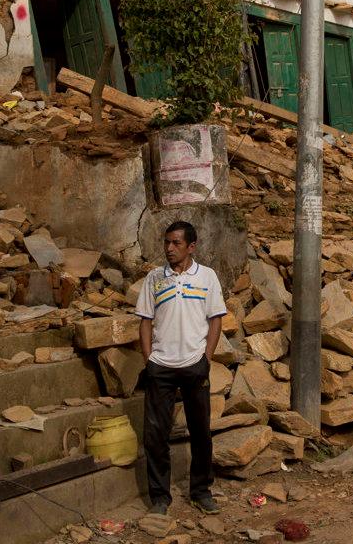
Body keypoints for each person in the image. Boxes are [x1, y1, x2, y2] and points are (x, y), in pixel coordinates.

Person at [135, 220, 226, 516]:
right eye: (167, 243)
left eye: (176, 243)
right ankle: (160, 498)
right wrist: (149, 359)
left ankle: (201, 491)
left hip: (194, 366)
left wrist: (206, 359)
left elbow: (216, 320)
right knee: (155, 436)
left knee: (201, 432)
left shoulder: (208, 277)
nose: (169, 249)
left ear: (191, 246)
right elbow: (145, 321)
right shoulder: (154, 278)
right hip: (160, 366)